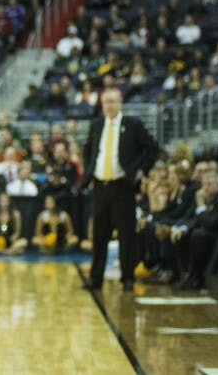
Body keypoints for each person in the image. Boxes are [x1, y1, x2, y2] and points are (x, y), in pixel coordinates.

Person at [81, 87, 158, 292]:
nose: (110, 106)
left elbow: (152, 148)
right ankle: (95, 278)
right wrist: (89, 172)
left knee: (126, 234)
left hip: (123, 186)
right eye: (106, 102)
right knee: (99, 235)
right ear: (102, 104)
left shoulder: (133, 125)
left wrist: (141, 171)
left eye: (114, 101)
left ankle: (127, 278)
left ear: (121, 102)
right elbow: (88, 149)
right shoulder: (96, 124)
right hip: (99, 185)